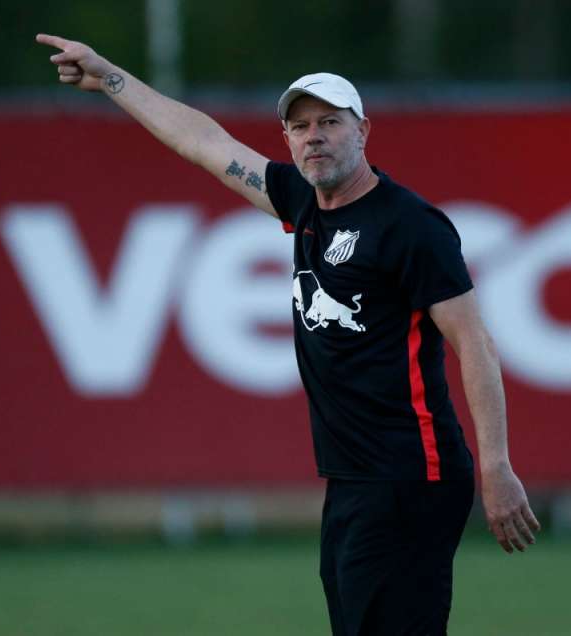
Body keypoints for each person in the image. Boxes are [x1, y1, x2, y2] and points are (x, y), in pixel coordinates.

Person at [37, 33, 540, 635]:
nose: (313, 136)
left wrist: (497, 466)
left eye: (330, 121)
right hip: (355, 479)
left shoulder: (411, 226)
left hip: (411, 476)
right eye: (299, 126)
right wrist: (110, 77)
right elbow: (204, 142)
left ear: (363, 132)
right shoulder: (302, 202)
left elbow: (476, 344)